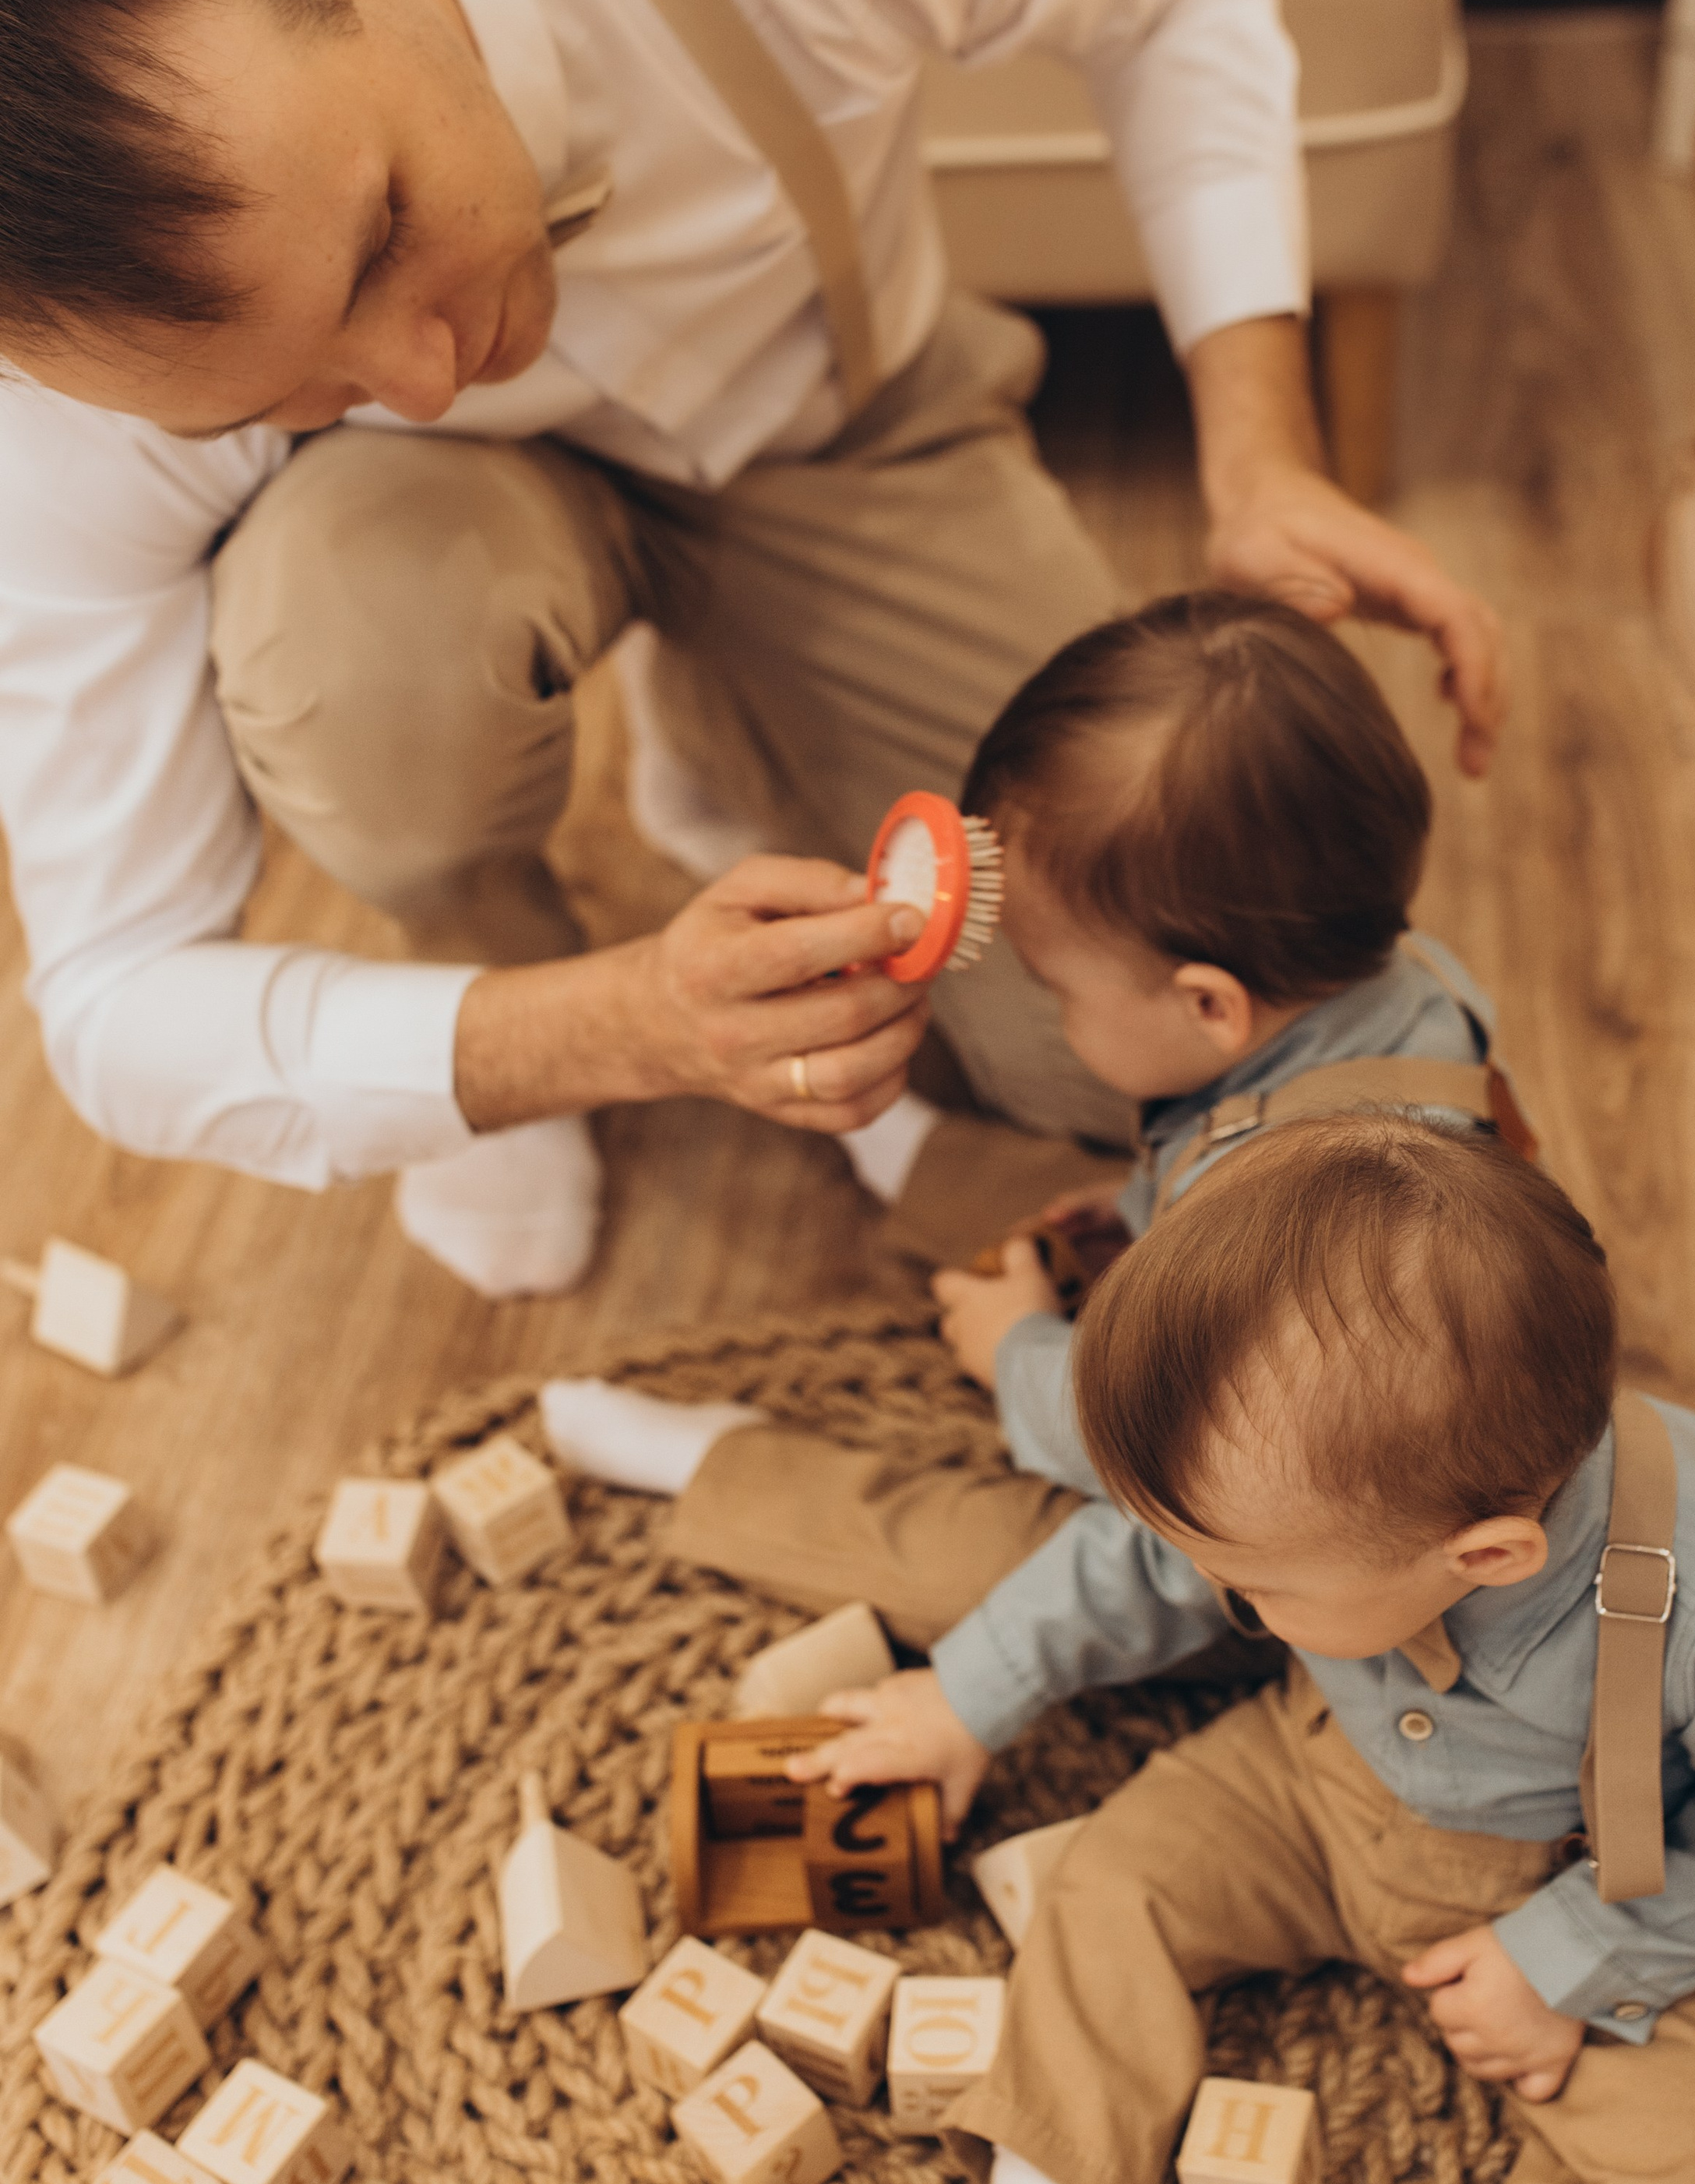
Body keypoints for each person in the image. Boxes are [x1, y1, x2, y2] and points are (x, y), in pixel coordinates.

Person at [0, 0, 1505, 1301]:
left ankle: (718, 764)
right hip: (437, 554)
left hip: (843, 421)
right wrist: (603, 1031)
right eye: (282, 396)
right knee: (359, 660)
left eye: (380, 238)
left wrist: (1259, 453)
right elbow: (116, 1000)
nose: (421, 379)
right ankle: (493, 960)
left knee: (1124, 1018)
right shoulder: (58, 398)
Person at [797, 1119, 1695, 2184]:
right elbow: (1140, 1561)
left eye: (1255, 1586)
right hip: (1312, 1789)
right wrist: (972, 1694)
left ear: (1484, 1555)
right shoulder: (1286, 1492)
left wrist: (1569, 1960)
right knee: (1111, 1880)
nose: (1217, 1594)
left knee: (1694, 2158)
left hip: (1588, 1874)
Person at [593, 587, 1521, 1615]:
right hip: (1319, 1284)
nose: (1049, 1007)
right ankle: (924, 1160)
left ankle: (724, 1467)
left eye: (1059, 991)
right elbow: (1204, 1172)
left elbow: (1179, 1454)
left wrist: (1020, 1357)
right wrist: (1134, 1217)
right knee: (1085, 1201)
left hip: (1297, 1505)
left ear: (1209, 1004)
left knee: (997, 1568)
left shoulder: (1276, 1220)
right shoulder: (1404, 981)